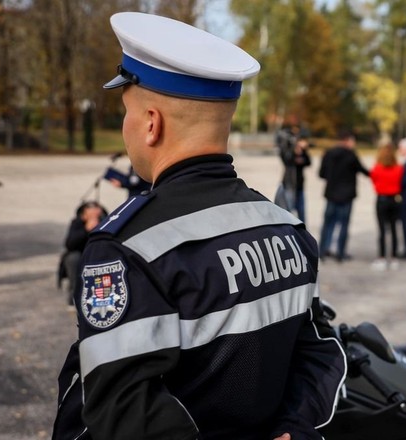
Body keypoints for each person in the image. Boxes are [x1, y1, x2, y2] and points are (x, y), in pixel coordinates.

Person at [52, 12, 346, 440]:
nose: (126, 126)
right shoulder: (287, 229)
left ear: (152, 123)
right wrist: (294, 430)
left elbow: (122, 411)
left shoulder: (127, 247)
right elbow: (319, 351)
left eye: (127, 112)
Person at [318, 130, 369, 262]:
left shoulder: (328, 154)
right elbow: (363, 171)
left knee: (328, 223)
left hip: (331, 194)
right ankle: (340, 252)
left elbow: (321, 174)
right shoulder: (351, 155)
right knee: (343, 225)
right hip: (347, 196)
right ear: (348, 140)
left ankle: (323, 250)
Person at [58, 201, 107, 305]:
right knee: (73, 258)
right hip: (80, 255)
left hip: (99, 255)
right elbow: (70, 244)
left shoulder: (106, 221)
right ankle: (74, 296)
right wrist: (86, 230)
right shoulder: (77, 223)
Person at [369, 143, 403, 271]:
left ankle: (382, 257)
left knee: (382, 230)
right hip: (395, 199)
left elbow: (373, 180)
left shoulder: (377, 168)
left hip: (382, 199)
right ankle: (394, 257)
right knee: (394, 229)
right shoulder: (399, 168)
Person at [279, 133, 311, 223]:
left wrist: (303, 151)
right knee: (288, 211)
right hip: (289, 184)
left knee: (301, 213)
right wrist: (294, 150)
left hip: (299, 186)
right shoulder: (288, 151)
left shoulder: (302, 152)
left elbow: (308, 162)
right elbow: (287, 160)